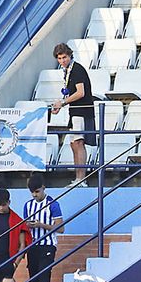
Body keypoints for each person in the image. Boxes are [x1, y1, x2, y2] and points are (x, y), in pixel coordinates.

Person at [49, 43, 94, 182]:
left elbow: (80, 92)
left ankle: (81, 179)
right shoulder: (68, 70)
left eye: (64, 57)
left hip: (82, 111)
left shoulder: (77, 69)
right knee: (74, 144)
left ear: (70, 55)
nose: (62, 61)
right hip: (74, 111)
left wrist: (63, 103)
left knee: (78, 143)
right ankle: (78, 178)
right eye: (59, 58)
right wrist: (60, 105)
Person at [21, 179, 63, 282]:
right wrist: (28, 225)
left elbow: (61, 228)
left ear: (43, 187)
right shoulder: (28, 205)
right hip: (32, 245)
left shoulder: (53, 204)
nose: (34, 195)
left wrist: (41, 225)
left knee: (44, 276)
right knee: (33, 277)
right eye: (32, 192)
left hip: (47, 245)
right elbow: (25, 226)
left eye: (37, 191)